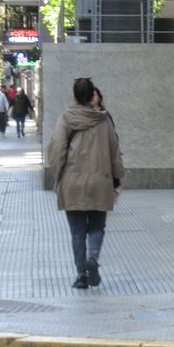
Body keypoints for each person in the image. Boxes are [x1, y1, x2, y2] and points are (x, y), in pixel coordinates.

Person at [48, 77, 124, 289]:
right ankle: (93, 257)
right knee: (98, 226)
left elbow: (57, 150)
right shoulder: (104, 120)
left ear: (74, 95)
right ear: (93, 96)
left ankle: (81, 275)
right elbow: (114, 152)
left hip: (72, 183)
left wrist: (58, 176)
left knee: (77, 232)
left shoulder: (66, 118)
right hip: (100, 182)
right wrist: (117, 180)